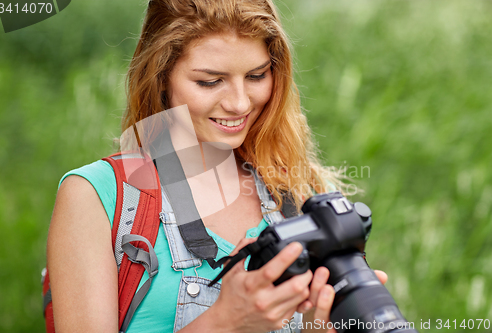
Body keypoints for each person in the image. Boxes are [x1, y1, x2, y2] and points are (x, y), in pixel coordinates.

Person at [46, 0, 387, 332]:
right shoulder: (97, 196)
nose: (239, 103)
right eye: (210, 81)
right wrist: (226, 322)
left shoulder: (298, 192)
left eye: (257, 75)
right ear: (161, 76)